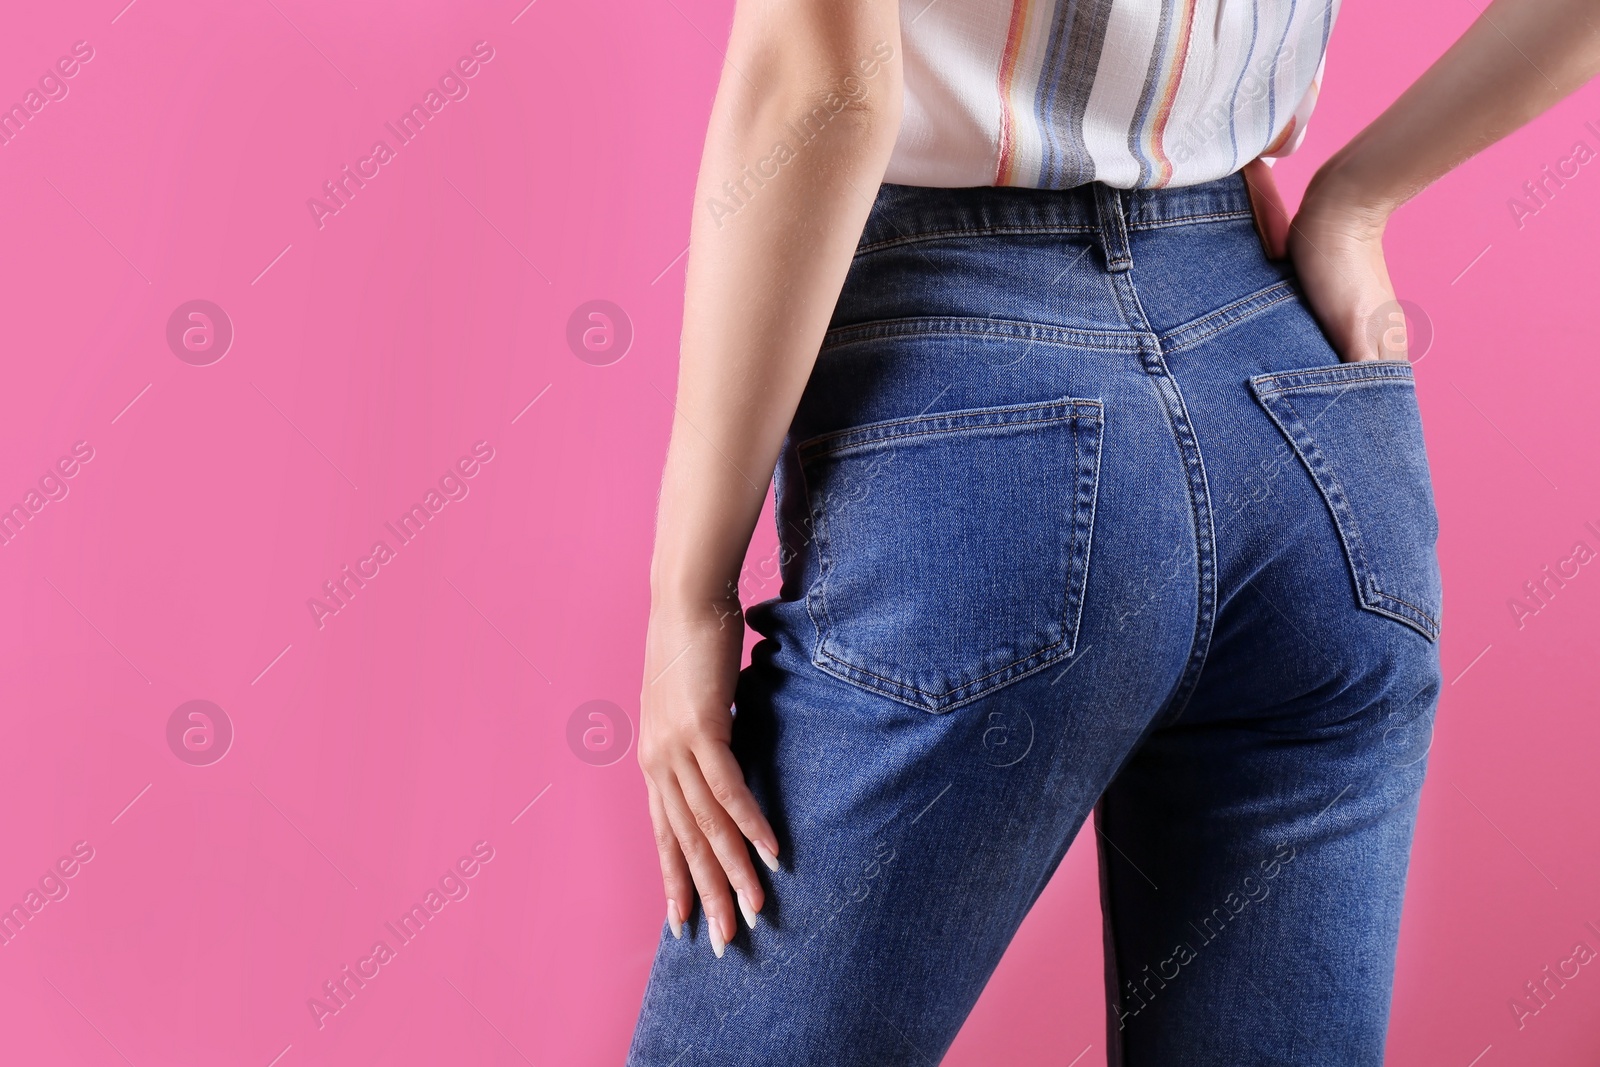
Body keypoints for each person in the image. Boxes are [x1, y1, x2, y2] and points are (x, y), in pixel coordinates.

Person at [628, 1, 1600, 1063]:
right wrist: (1361, 198)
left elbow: (821, 89)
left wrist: (692, 592)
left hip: (973, 410)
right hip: (1299, 403)